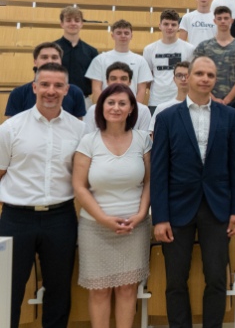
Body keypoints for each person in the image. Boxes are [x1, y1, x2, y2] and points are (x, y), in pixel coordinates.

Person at [150, 56, 235, 328]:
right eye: (200, 73)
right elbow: (159, 171)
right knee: (175, 280)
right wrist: (160, 217)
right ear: (188, 77)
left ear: (215, 80)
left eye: (210, 75)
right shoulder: (167, 117)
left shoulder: (229, 116)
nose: (205, 79)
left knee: (216, 277)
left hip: (217, 208)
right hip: (176, 209)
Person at [0, 63, 84, 328]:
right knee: (6, 291)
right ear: (34, 87)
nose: (51, 91)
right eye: (45, 84)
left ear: (67, 90)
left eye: (58, 85)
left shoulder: (79, 130)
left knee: (59, 291)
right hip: (16, 218)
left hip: (61, 218)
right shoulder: (11, 128)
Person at [72, 83, 152, 328]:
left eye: (122, 103)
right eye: (111, 102)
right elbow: (79, 186)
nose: (116, 108)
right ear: (101, 107)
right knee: (100, 290)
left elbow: (150, 182)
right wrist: (103, 219)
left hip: (135, 226)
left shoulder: (143, 140)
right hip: (95, 227)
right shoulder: (88, 141)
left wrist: (141, 214)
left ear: (131, 109)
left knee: (128, 289)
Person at [5, 41, 87, 118]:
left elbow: (77, 125)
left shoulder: (76, 93)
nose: (50, 61)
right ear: (35, 62)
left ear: (61, 61)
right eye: (44, 57)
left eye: (54, 57)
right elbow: (13, 126)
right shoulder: (18, 93)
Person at [193, 6, 235, 104]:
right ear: (214, 21)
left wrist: (227, 100)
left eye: (226, 18)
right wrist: (213, 99)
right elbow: (196, 74)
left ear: (231, 20)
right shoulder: (204, 46)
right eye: (219, 19)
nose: (223, 21)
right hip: (207, 101)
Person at [86, 20, 153, 104]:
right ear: (112, 36)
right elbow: (96, 88)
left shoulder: (140, 60)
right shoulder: (100, 59)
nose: (123, 36)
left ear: (131, 36)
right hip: (107, 106)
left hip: (130, 106)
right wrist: (103, 107)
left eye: (126, 33)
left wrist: (134, 108)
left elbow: (141, 90)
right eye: (119, 33)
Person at [143, 10, 195, 113]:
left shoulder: (189, 49)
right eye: (166, 24)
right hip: (156, 102)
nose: (170, 27)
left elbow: (193, 76)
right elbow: (147, 79)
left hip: (182, 102)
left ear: (178, 27)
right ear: (160, 26)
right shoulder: (149, 49)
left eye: (173, 24)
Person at [84, 62, 153, 134]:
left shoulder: (143, 111)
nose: (118, 82)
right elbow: (88, 138)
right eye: (113, 78)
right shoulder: (93, 110)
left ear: (130, 82)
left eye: (123, 78)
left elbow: (145, 140)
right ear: (107, 81)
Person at [56, 6, 98, 106]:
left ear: (81, 24)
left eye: (77, 20)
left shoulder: (91, 51)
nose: (73, 23)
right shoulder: (51, 49)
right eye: (68, 20)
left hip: (83, 100)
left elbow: (96, 81)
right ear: (62, 24)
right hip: (56, 98)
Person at [149, 61, 190, 136]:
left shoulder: (201, 107)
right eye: (179, 75)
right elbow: (153, 136)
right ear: (174, 79)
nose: (183, 79)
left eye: (187, 76)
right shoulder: (162, 108)